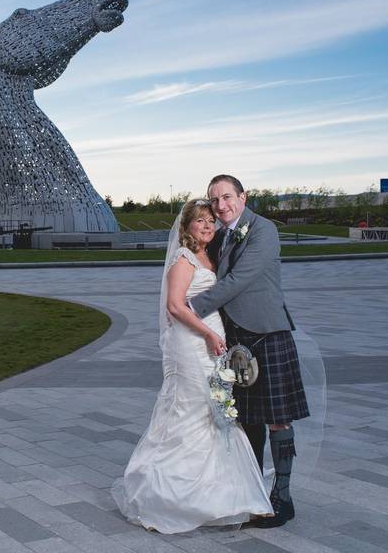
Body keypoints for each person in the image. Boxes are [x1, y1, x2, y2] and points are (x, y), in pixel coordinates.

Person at [112, 199, 273, 534]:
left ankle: (220, 493)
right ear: (186, 227)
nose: (206, 226)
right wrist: (208, 335)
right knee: (190, 408)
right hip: (190, 342)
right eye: (199, 221)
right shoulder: (184, 259)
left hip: (211, 343)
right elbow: (174, 306)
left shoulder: (208, 256)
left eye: (210, 221)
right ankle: (165, 493)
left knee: (214, 410)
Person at [188, 174, 309, 528]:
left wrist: (190, 306)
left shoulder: (263, 229)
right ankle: (253, 495)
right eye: (215, 200)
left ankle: (282, 498)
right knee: (246, 419)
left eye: (227, 197)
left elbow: (240, 279)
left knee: (277, 417)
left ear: (243, 197)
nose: (221, 205)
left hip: (267, 334)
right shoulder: (219, 234)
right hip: (235, 338)